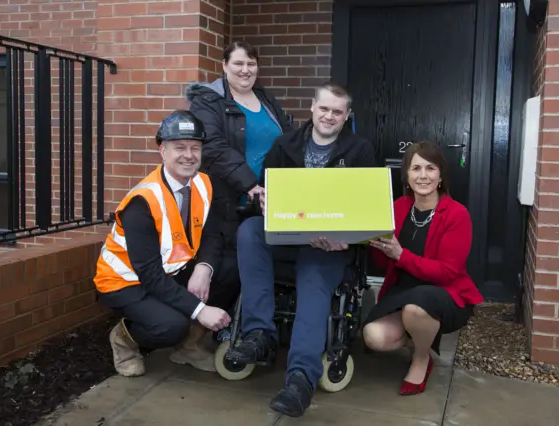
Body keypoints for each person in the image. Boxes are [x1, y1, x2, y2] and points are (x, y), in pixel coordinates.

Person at [226, 82, 378, 418]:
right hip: (287, 238)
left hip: (327, 246)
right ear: (312, 108)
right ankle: (258, 333)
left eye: (338, 112)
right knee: (250, 230)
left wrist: (347, 237)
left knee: (314, 271)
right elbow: (267, 195)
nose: (329, 116)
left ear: (347, 116)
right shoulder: (285, 146)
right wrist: (265, 202)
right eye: (324, 108)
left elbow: (367, 207)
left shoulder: (360, 151)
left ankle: (301, 378)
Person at [93, 110, 232, 377]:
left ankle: (188, 348)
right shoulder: (142, 201)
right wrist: (200, 310)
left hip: (170, 272)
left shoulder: (203, 183)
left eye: (195, 147)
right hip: (126, 282)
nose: (189, 155)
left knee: (231, 269)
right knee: (171, 325)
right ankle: (124, 339)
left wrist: (204, 268)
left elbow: (212, 233)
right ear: (163, 151)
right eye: (179, 147)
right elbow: (149, 274)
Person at [362, 141, 484, 396]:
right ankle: (421, 334)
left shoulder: (456, 214)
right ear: (406, 175)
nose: (423, 175)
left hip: (444, 293)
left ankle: (421, 357)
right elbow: (383, 263)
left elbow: (448, 272)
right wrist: (373, 243)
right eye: (416, 168)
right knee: (374, 337)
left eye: (430, 168)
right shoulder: (398, 207)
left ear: (440, 176)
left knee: (416, 308)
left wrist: (401, 255)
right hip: (402, 291)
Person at [184, 41, 292, 316]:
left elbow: (289, 141)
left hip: (266, 201)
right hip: (227, 199)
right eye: (239, 63)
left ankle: (236, 328)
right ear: (224, 66)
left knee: (257, 266)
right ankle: (195, 333)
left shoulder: (265, 100)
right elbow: (212, 146)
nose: (246, 70)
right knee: (226, 269)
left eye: (251, 64)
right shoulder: (207, 101)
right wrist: (250, 184)